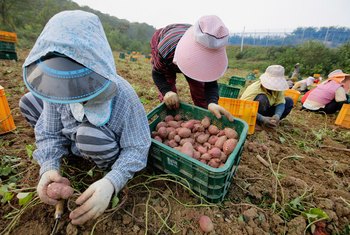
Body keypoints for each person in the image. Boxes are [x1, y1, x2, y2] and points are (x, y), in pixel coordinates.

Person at [18, 10, 151, 225]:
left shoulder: (124, 96)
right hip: (71, 136)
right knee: (29, 101)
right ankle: (69, 152)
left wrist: (111, 183)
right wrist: (49, 167)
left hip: (100, 143)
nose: (68, 89)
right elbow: (49, 131)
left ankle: (94, 161)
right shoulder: (57, 84)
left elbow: (137, 147)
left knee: (87, 134)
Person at [150, 15, 233, 122]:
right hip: (169, 52)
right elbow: (157, 73)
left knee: (200, 89)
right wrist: (167, 92)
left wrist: (212, 102)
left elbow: (210, 82)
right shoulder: (166, 48)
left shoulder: (210, 44)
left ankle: (204, 117)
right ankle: (170, 117)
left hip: (180, 47)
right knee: (169, 94)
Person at [241, 65, 294, 129]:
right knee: (262, 98)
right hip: (253, 113)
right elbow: (244, 106)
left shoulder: (278, 89)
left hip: (267, 111)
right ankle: (257, 122)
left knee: (289, 101)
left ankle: (272, 122)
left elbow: (280, 102)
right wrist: (262, 118)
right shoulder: (255, 88)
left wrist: (277, 115)